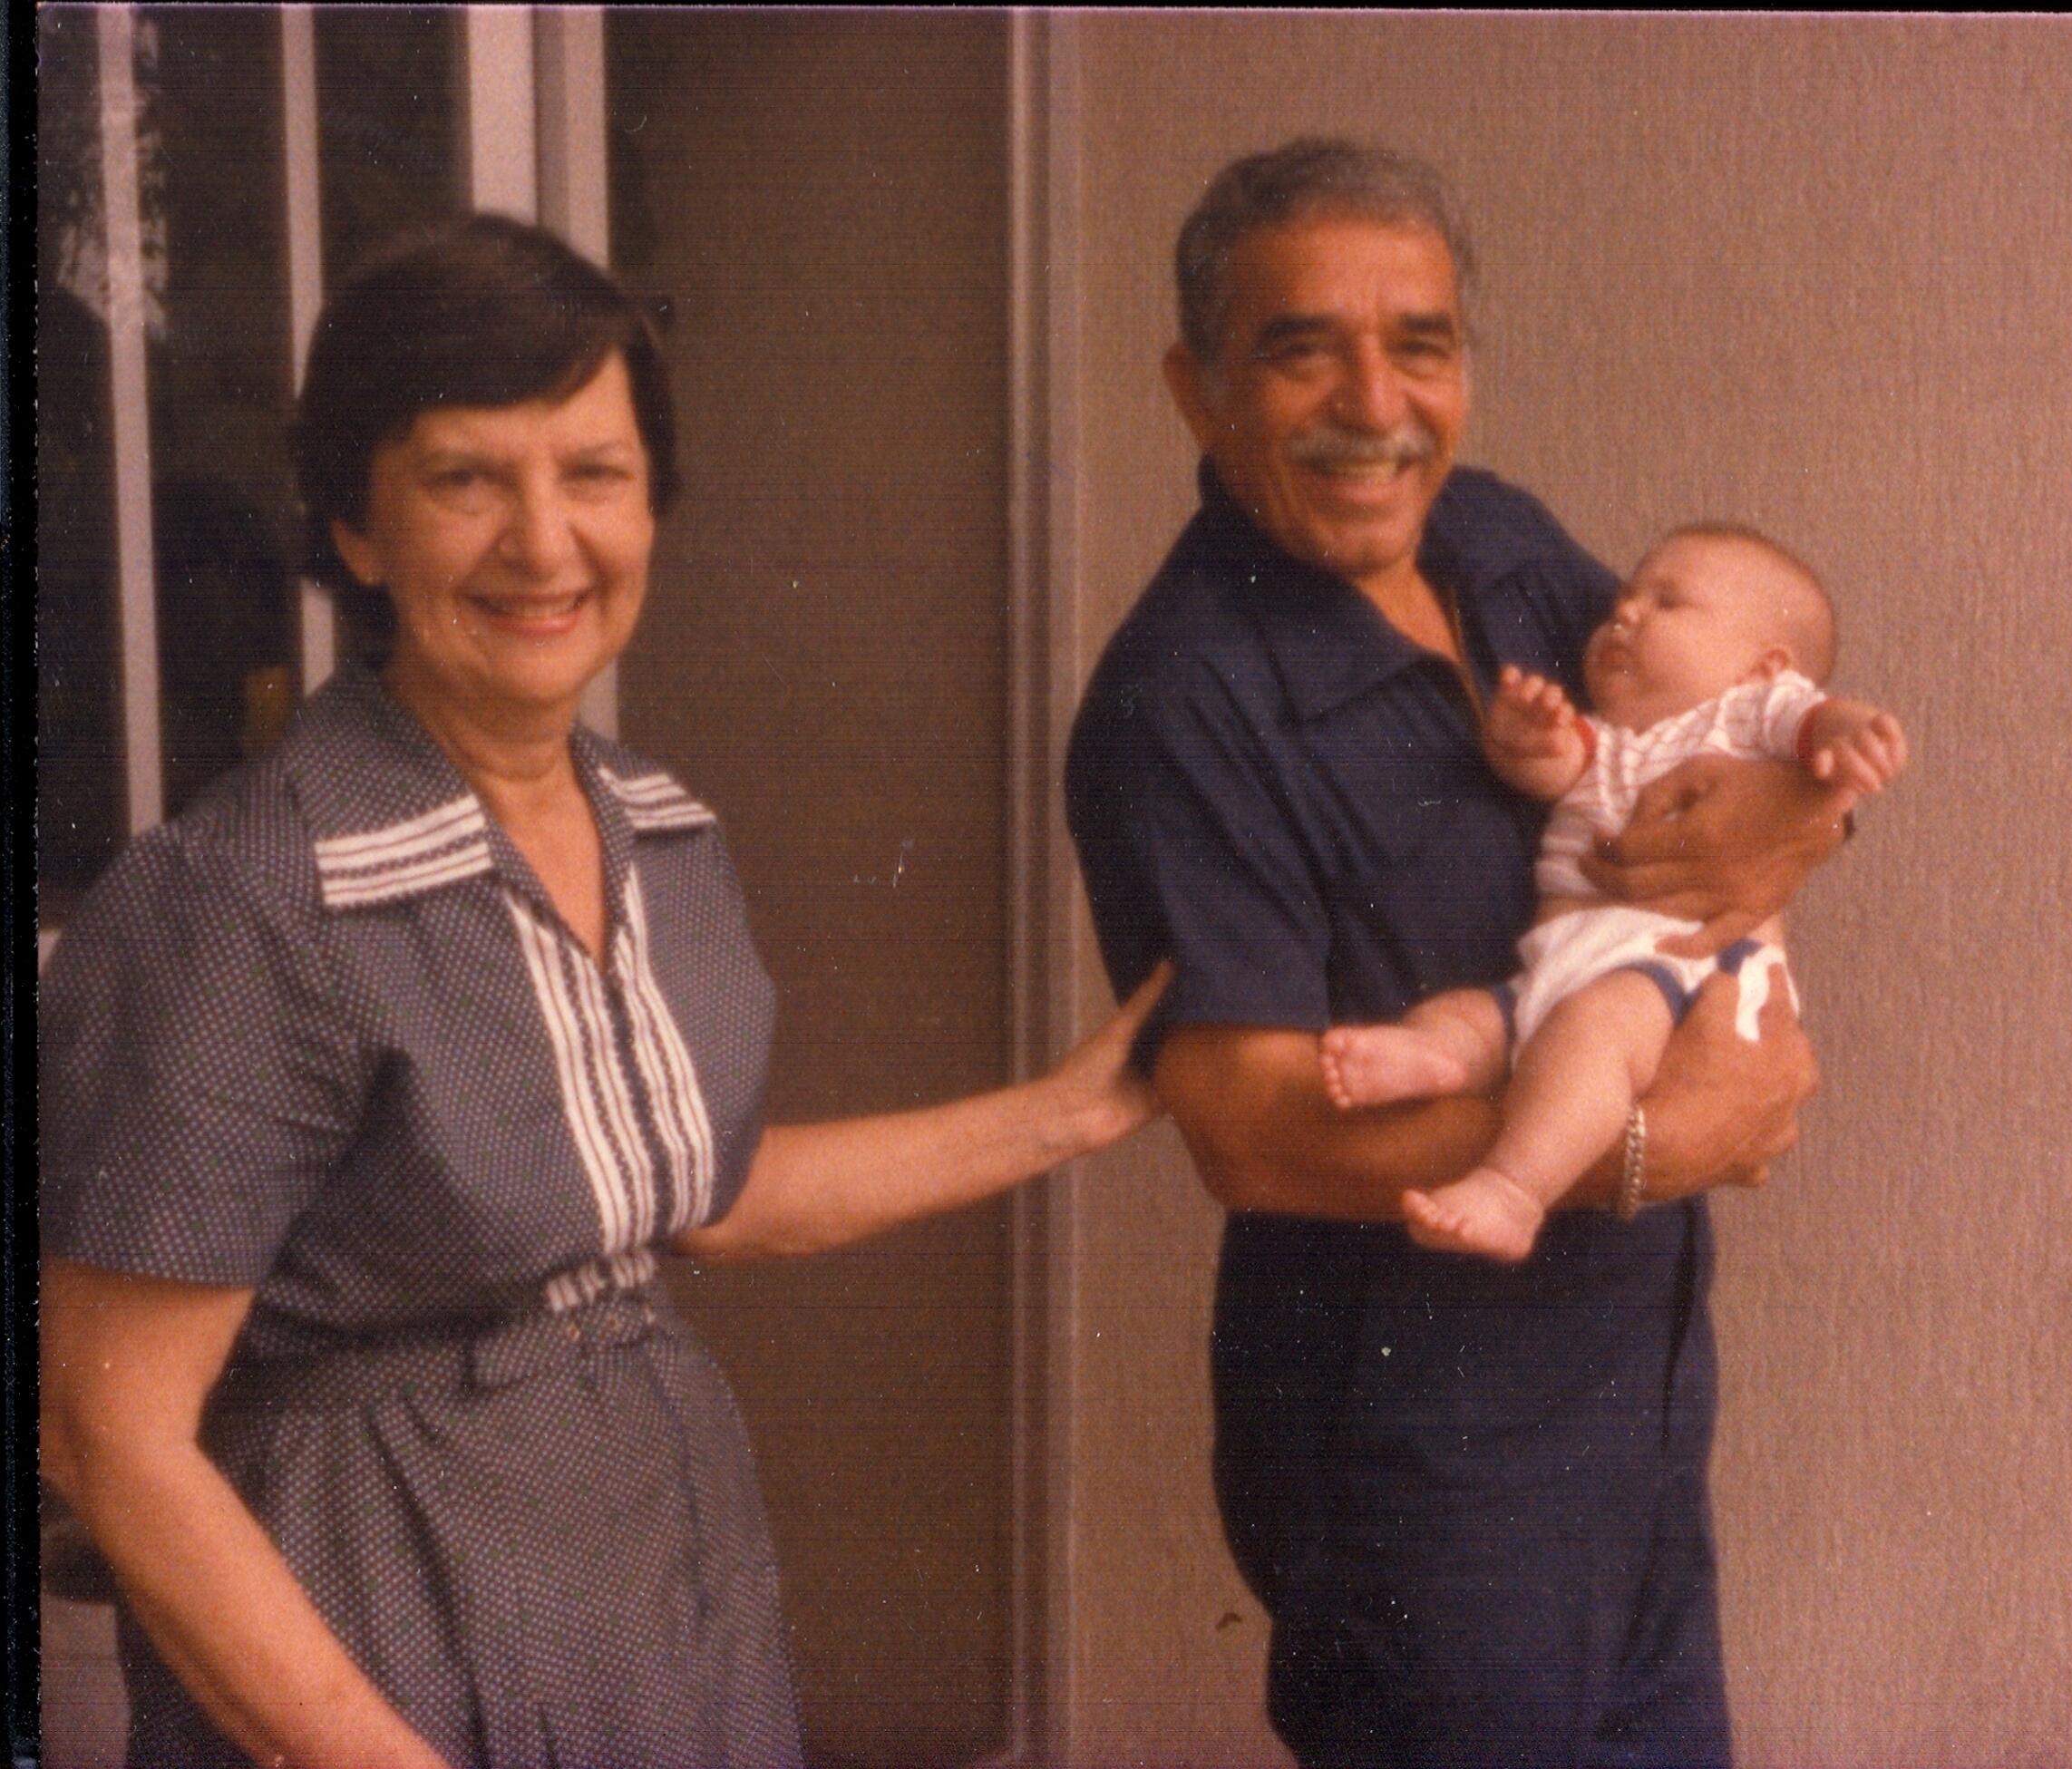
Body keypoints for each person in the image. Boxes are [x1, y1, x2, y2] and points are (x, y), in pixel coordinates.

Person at [39, 214, 1167, 1769]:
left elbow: (686, 1190)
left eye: (593, 473)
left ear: (655, 505)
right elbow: (108, 1434)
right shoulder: (247, 900)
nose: (543, 544)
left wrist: (1073, 1111)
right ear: (357, 531)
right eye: (464, 479)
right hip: (375, 1589)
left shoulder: (657, 829)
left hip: (652, 1554)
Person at [1065, 139, 1851, 1768]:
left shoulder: (1494, 541)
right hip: (1422, 1473)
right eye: (1302, 349)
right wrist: (1650, 1143)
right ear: (1196, 390)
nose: (1376, 400)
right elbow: (1251, 1127)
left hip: (1628, 1403)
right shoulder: (1181, 703)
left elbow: (1709, 742)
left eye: (1418, 342)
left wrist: (1805, 827)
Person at [1319, 525, 1908, 1263]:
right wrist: (1525, 737)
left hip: (1671, 978)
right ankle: (1433, 1056)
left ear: (1765, 668)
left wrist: (1850, 733)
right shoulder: (1611, 740)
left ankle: (1511, 1190)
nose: (1624, 611)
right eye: (1625, 598)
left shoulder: (1742, 717)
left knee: (1587, 1039)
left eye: (1668, 602)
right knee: (1472, 1017)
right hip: (1557, 965)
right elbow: (1552, 769)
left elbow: (1813, 719)